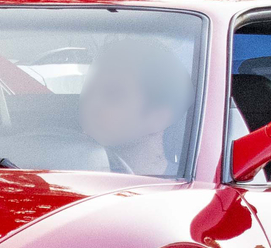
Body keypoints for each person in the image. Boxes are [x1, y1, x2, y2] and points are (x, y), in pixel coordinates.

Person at [78, 35, 192, 175]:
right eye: (89, 90)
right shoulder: (63, 176)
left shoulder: (183, 192)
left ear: (159, 118)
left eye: (113, 95)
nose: (91, 104)